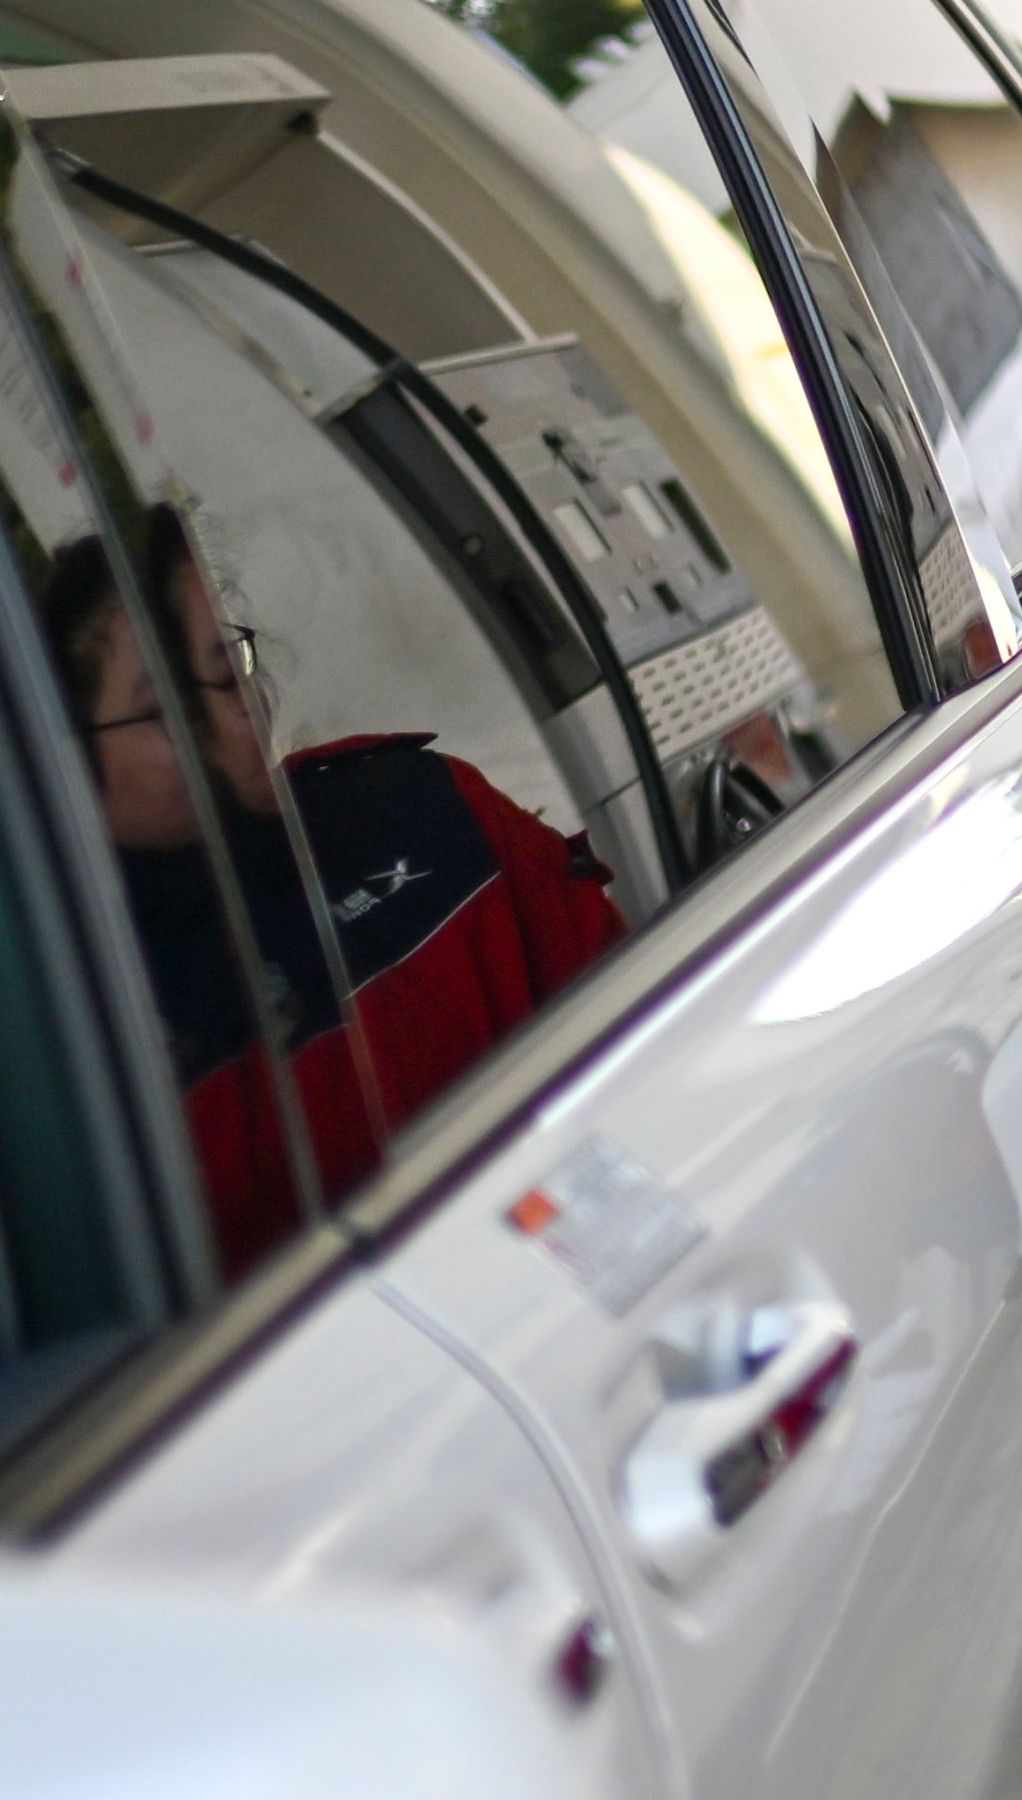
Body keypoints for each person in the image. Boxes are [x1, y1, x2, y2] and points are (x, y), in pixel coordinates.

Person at [44, 510, 624, 1266]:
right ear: (61, 763)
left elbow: (639, 1041)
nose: (227, 715)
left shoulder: (427, 812)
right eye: (162, 709)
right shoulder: (62, 1034)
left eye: (227, 670)